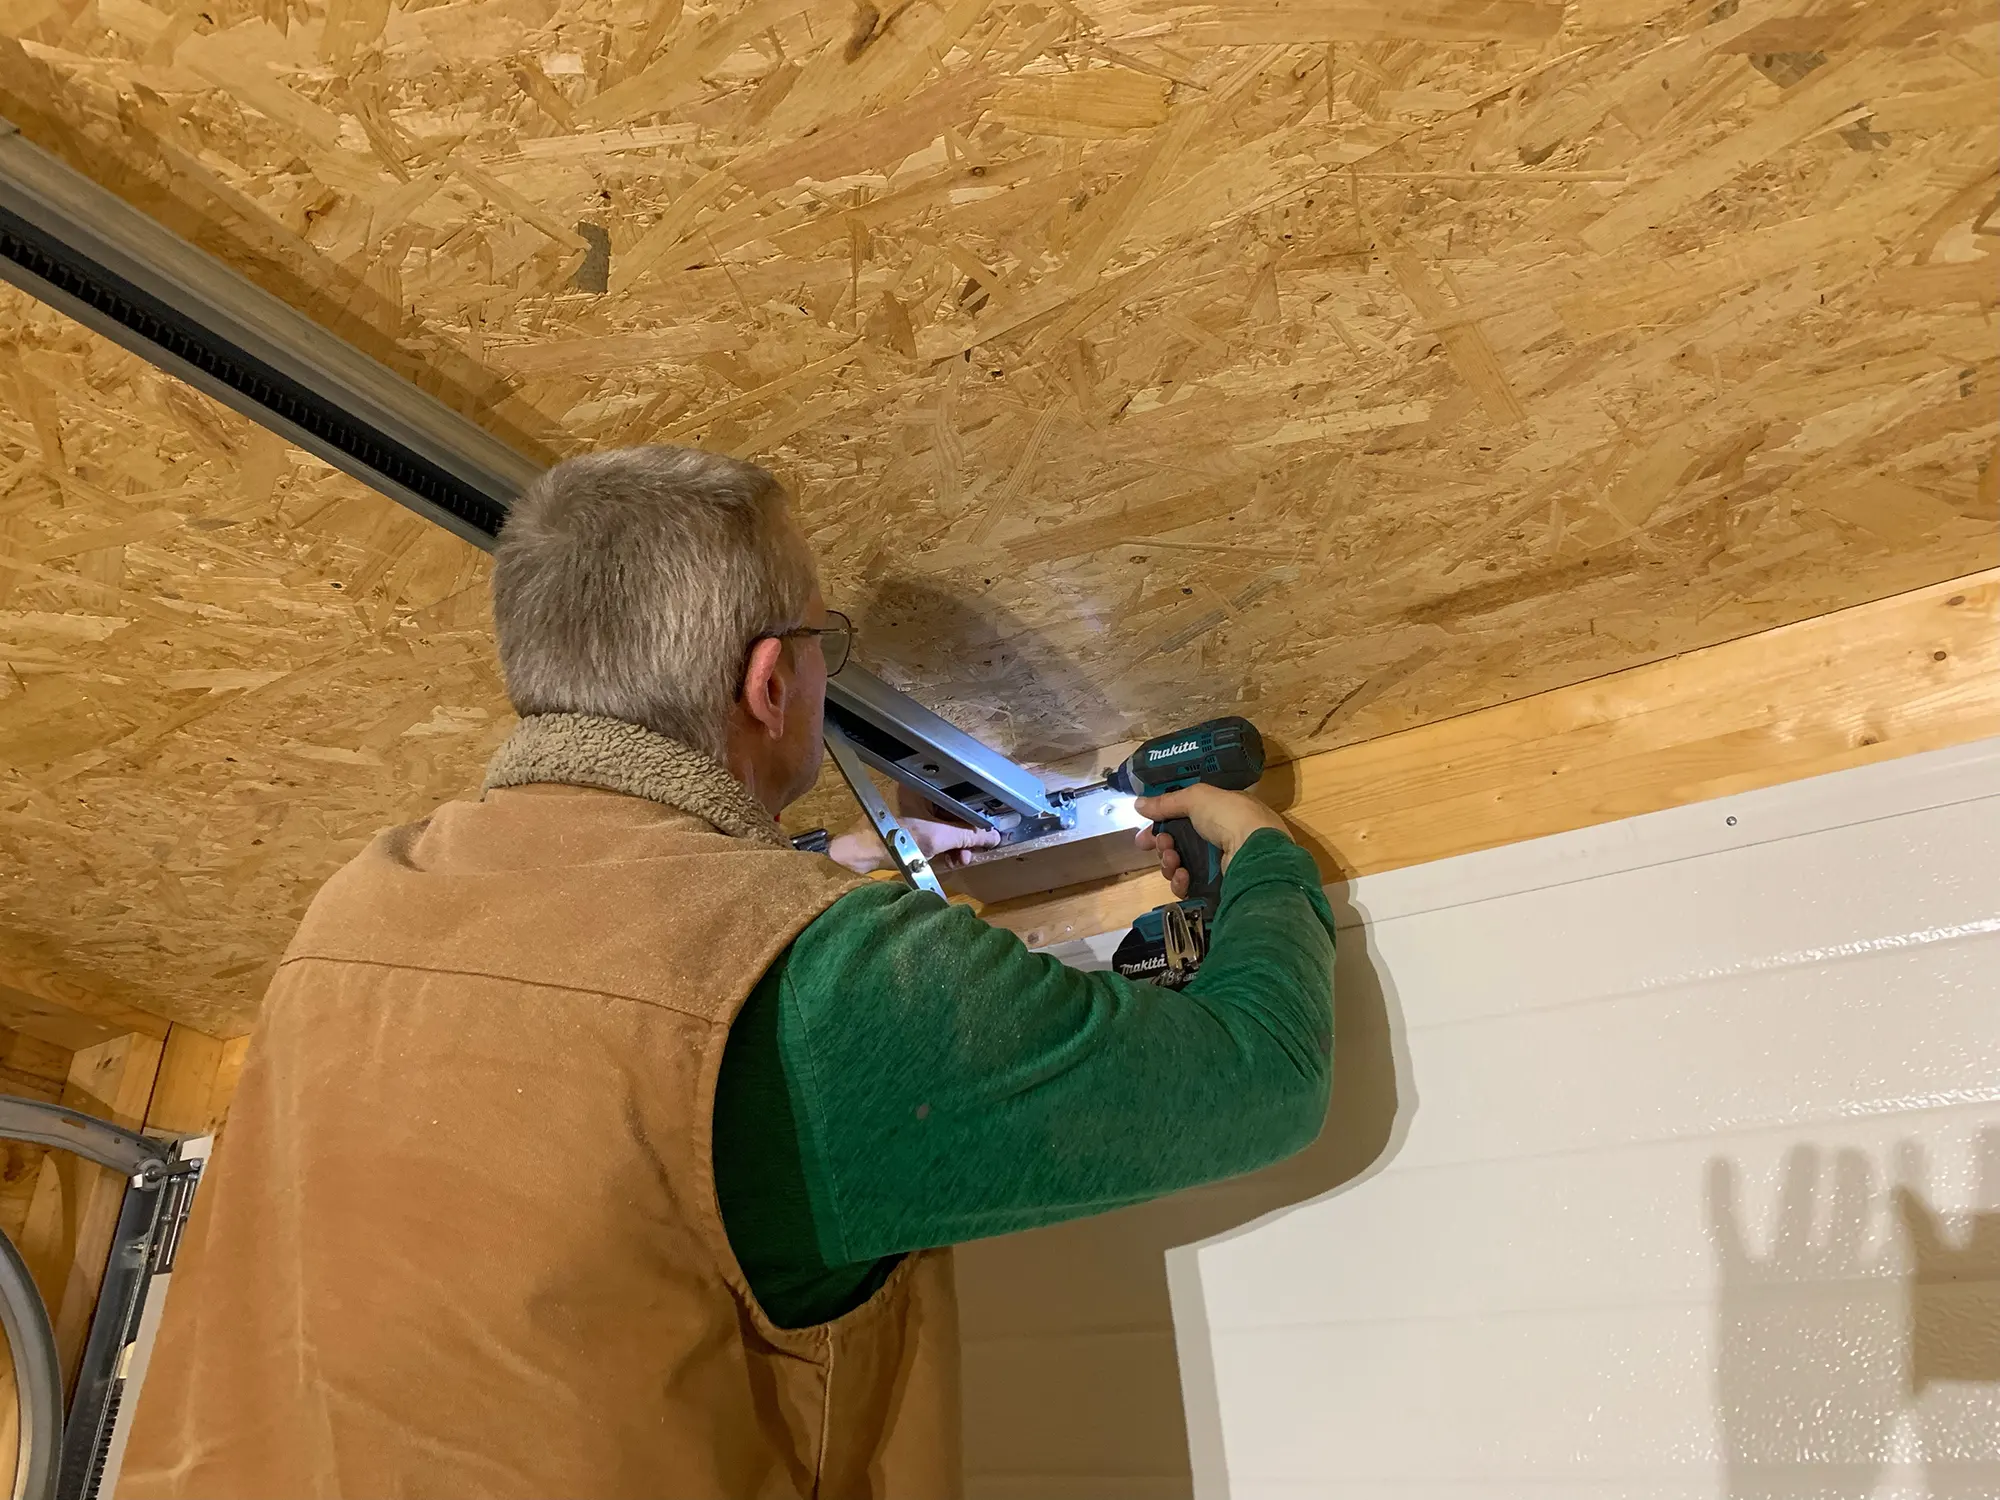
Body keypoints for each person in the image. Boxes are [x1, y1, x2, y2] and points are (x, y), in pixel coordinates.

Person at [117, 446, 1335, 1500]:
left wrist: (790, 866)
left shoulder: (361, 898)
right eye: (822, 638)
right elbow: (1261, 1075)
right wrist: (1266, 859)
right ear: (769, 682)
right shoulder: (837, 974)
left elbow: (599, 986)